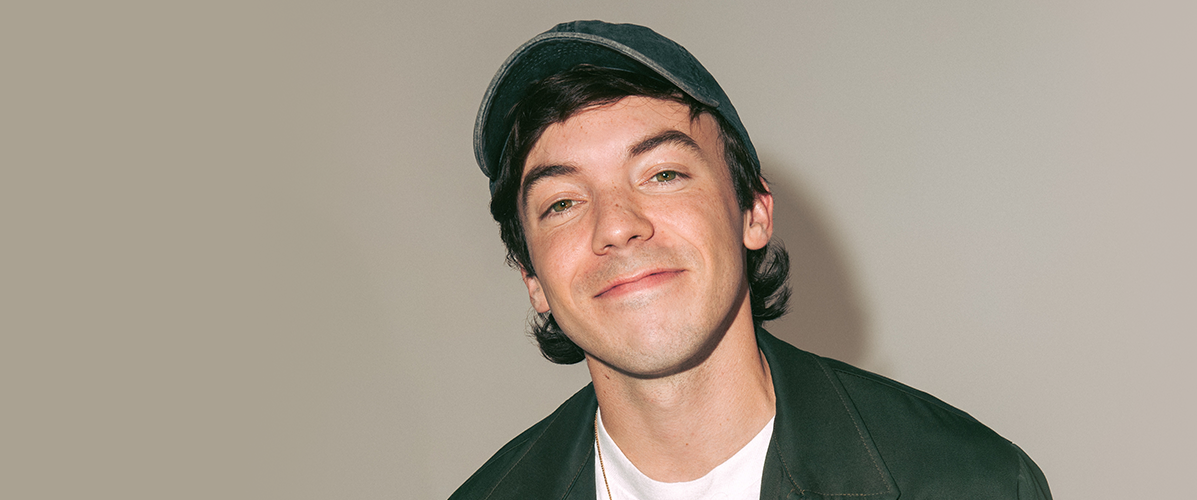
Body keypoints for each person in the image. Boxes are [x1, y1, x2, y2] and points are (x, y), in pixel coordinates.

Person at [451, 20, 1052, 500]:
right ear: (532, 277)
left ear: (754, 212)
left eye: (663, 174)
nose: (616, 226)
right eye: (562, 203)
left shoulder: (971, 483)